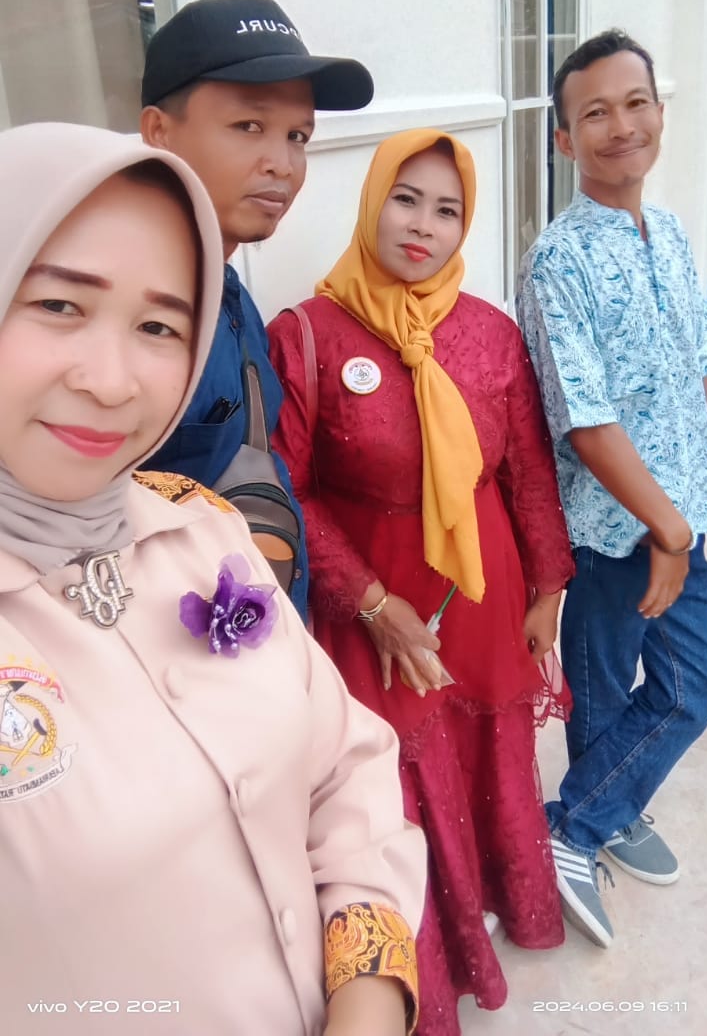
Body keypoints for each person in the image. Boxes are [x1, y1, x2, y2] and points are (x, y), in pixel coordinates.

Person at [0, 122, 426, 1036]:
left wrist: (369, 1000)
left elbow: (344, 769)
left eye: (159, 325)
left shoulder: (203, 531)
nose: (113, 382)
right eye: (60, 306)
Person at [267, 128, 575, 1031]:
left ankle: (488, 908)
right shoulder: (307, 335)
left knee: (487, 753)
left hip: (482, 591)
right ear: (373, 202)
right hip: (372, 599)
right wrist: (371, 602)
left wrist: (548, 586)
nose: (422, 226)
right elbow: (286, 489)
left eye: (447, 210)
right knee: (390, 786)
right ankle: (429, 963)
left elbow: (526, 468)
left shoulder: (489, 333)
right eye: (406, 199)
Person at [516, 29, 707, 949]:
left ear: (660, 114)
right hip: (613, 534)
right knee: (607, 694)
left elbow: (706, 363)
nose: (620, 125)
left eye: (635, 103)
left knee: (690, 686)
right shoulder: (557, 260)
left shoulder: (668, 232)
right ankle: (583, 825)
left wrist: (699, 506)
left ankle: (593, 810)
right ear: (565, 139)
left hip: (683, 515)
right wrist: (664, 531)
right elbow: (584, 418)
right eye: (594, 112)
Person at [140, 0, 374, 620]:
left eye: (298, 136)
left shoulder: (229, 290)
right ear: (159, 132)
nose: (282, 164)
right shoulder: (135, 318)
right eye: (249, 126)